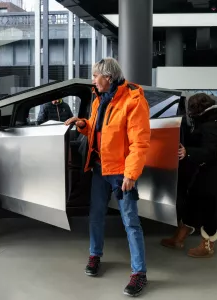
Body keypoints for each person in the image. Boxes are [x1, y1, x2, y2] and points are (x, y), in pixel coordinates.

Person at [65, 57, 151, 297]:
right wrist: (83, 124)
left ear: (109, 77)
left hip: (122, 173)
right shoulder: (99, 99)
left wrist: (131, 174)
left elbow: (140, 143)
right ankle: (95, 255)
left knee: (131, 222)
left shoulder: (134, 101)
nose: (93, 80)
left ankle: (139, 274)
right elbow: (97, 128)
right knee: (96, 215)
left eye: (96, 76)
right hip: (99, 169)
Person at [161, 93, 217, 258]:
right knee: (191, 205)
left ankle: (207, 246)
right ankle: (179, 238)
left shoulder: (213, 125)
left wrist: (188, 152)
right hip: (203, 173)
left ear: (199, 110)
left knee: (209, 212)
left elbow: (210, 151)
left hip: (211, 175)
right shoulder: (208, 121)